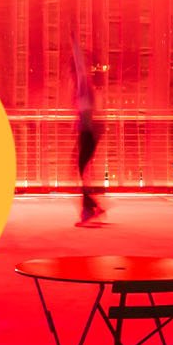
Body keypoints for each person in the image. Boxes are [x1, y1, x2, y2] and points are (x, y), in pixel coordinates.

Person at [70, 36, 106, 225]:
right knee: (82, 172)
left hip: (88, 135)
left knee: (82, 172)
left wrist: (74, 44)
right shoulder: (82, 89)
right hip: (86, 135)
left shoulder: (83, 86)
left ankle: (89, 210)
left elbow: (80, 67)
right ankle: (92, 208)